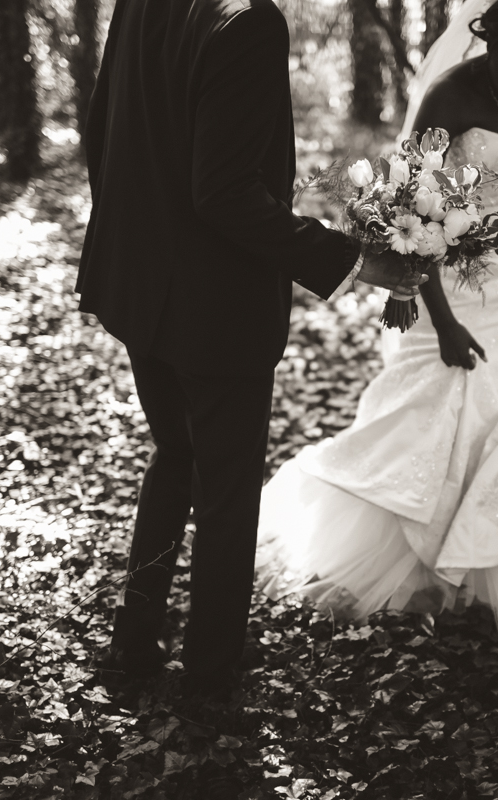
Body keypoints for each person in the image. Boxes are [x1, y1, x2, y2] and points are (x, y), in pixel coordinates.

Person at [75, 0, 424, 698]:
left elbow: (103, 129)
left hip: (138, 286)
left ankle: (134, 640)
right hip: (212, 307)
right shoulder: (250, 21)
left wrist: (130, 246)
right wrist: (353, 260)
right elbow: (225, 192)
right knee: (228, 493)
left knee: (175, 456)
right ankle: (211, 671)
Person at [256, 0, 498, 630]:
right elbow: (414, 218)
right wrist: (443, 322)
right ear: (485, 46)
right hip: (460, 276)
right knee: (448, 394)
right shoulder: (448, 97)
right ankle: (432, 558)